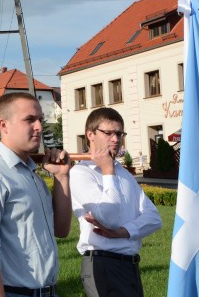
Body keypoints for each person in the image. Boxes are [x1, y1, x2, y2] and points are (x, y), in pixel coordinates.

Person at [0, 92, 72, 297]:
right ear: (4, 125)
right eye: (29, 119)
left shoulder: (31, 175)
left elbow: (62, 230)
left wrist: (62, 178)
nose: (39, 126)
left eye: (40, 119)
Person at [69, 108, 162, 297]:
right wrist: (107, 170)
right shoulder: (80, 173)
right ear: (90, 135)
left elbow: (154, 218)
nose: (115, 139)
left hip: (130, 265)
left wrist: (123, 232)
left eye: (119, 133)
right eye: (108, 133)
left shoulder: (124, 174)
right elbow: (108, 218)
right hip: (102, 263)